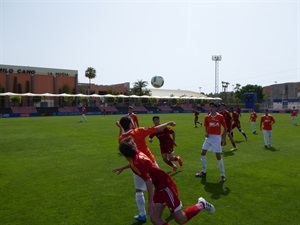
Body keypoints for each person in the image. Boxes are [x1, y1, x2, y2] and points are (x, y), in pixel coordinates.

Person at [113, 137, 215, 225]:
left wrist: (150, 202)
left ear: (125, 154)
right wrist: (123, 167)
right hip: (160, 187)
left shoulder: (135, 162)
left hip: (166, 186)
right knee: (154, 218)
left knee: (181, 219)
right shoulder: (138, 153)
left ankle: (201, 204)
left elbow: (148, 181)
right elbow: (138, 165)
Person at [115, 116, 176, 223]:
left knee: (139, 190)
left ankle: (142, 214)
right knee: (162, 186)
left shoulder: (121, 139)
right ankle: (173, 207)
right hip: (150, 163)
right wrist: (167, 123)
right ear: (130, 124)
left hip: (136, 166)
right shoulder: (138, 131)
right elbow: (156, 129)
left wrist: (123, 167)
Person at [196, 102, 227, 182]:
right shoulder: (207, 117)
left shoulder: (220, 116)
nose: (211, 108)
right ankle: (203, 171)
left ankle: (223, 175)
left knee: (218, 156)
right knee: (203, 153)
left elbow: (225, 128)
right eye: (210, 107)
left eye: (213, 107)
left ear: (216, 108)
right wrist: (206, 132)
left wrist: (224, 139)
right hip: (209, 137)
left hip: (216, 137)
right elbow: (206, 126)